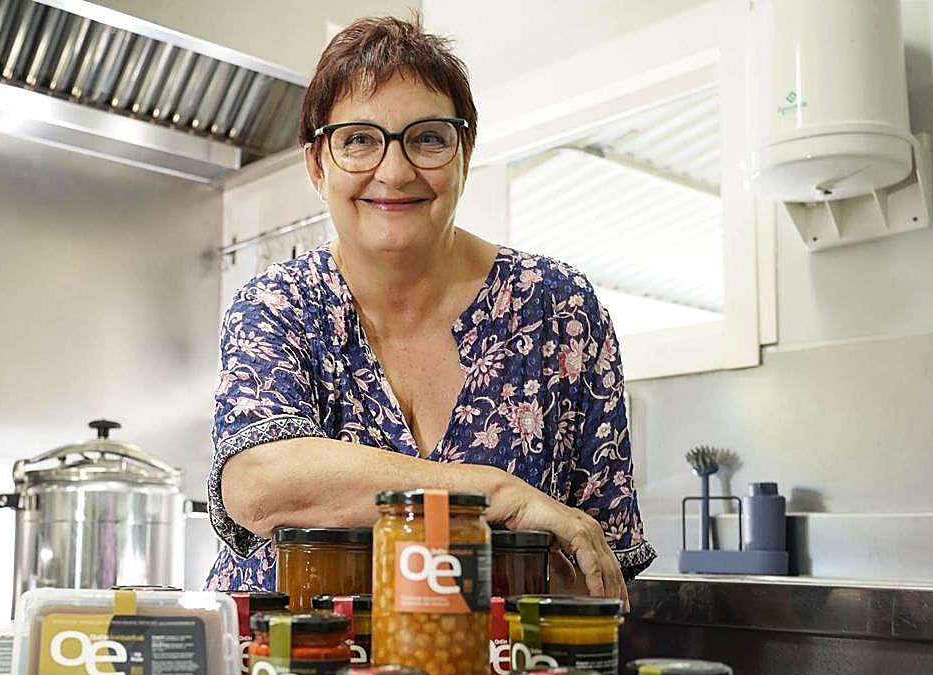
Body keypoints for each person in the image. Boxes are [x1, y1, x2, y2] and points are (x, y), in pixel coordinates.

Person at [204, 15, 654, 606]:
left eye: (428, 138)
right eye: (359, 139)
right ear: (317, 166)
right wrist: (494, 494)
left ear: (464, 154)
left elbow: (601, 562)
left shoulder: (558, 308)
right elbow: (259, 484)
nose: (394, 171)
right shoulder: (279, 303)